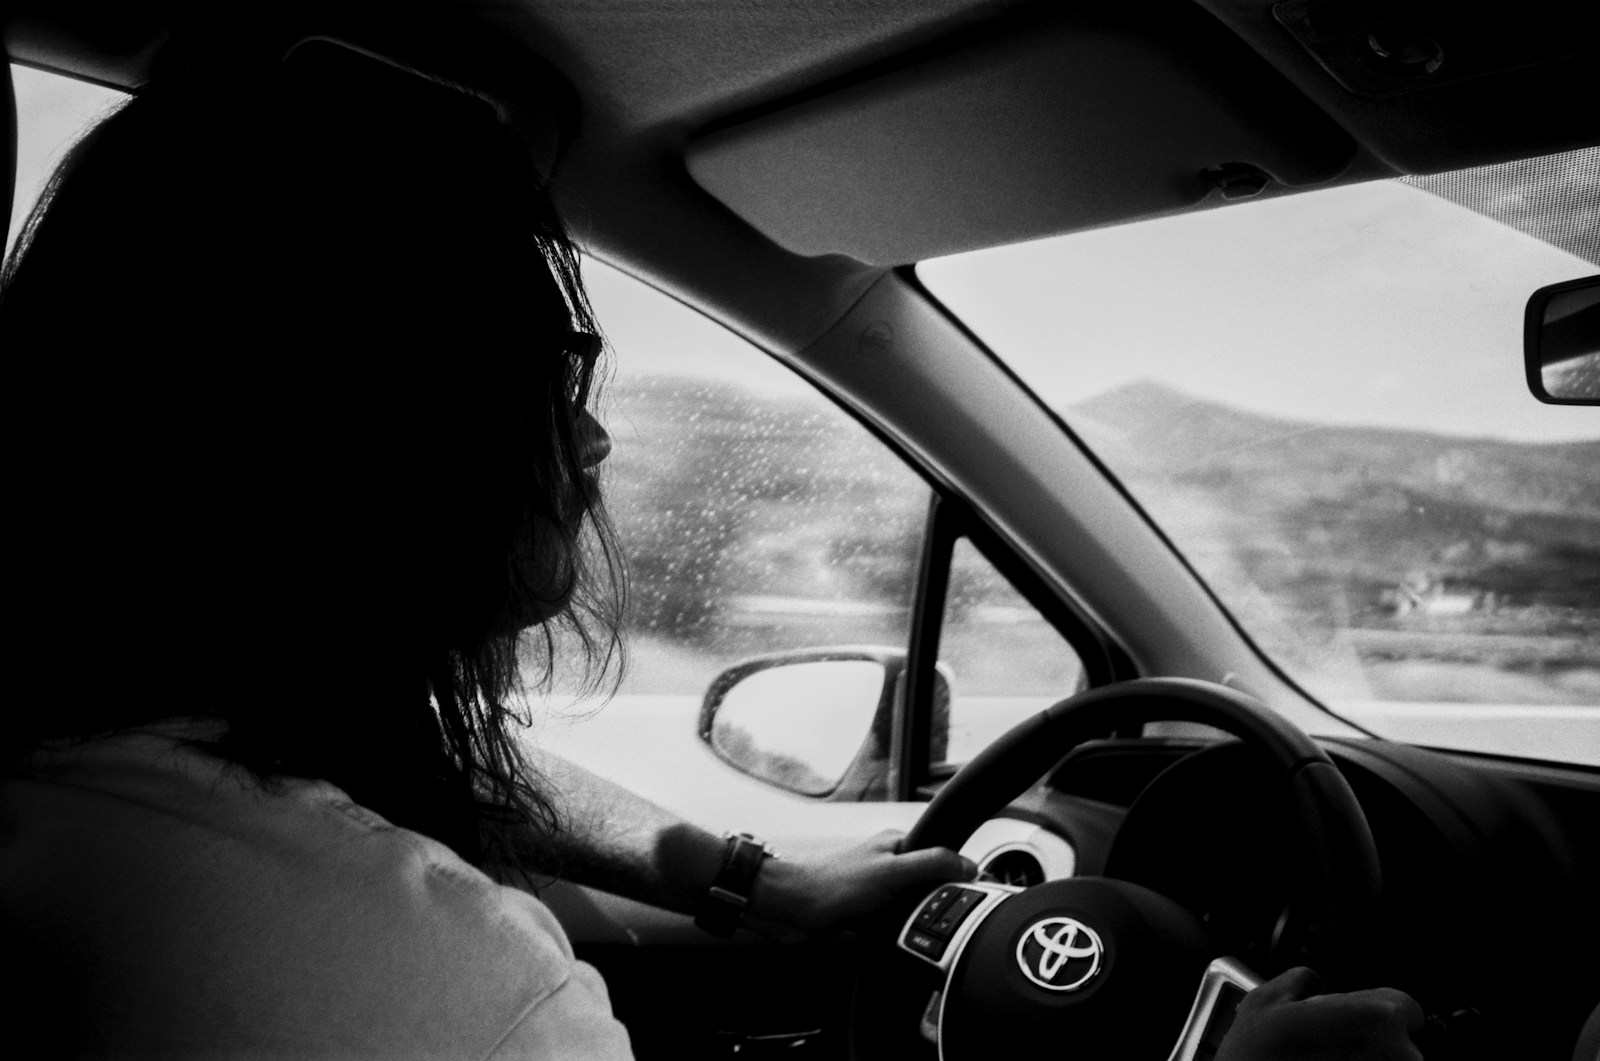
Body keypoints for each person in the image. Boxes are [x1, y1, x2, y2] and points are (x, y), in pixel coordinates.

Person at [0, 44, 1424, 1060]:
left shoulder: (82, 767)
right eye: (551, 364)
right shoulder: (435, 993)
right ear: (386, 427)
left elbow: (431, 770)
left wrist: (755, 880)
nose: (592, 437)